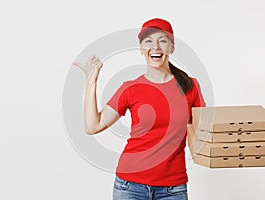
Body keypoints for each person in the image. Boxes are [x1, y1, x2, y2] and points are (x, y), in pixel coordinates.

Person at [74, 18, 206, 200]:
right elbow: (93, 126)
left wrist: (236, 145)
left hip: (172, 188)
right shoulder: (130, 88)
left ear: (172, 47)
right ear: (141, 49)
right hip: (130, 186)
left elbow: (202, 136)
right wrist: (91, 80)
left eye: (163, 40)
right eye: (149, 41)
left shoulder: (190, 86)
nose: (156, 46)